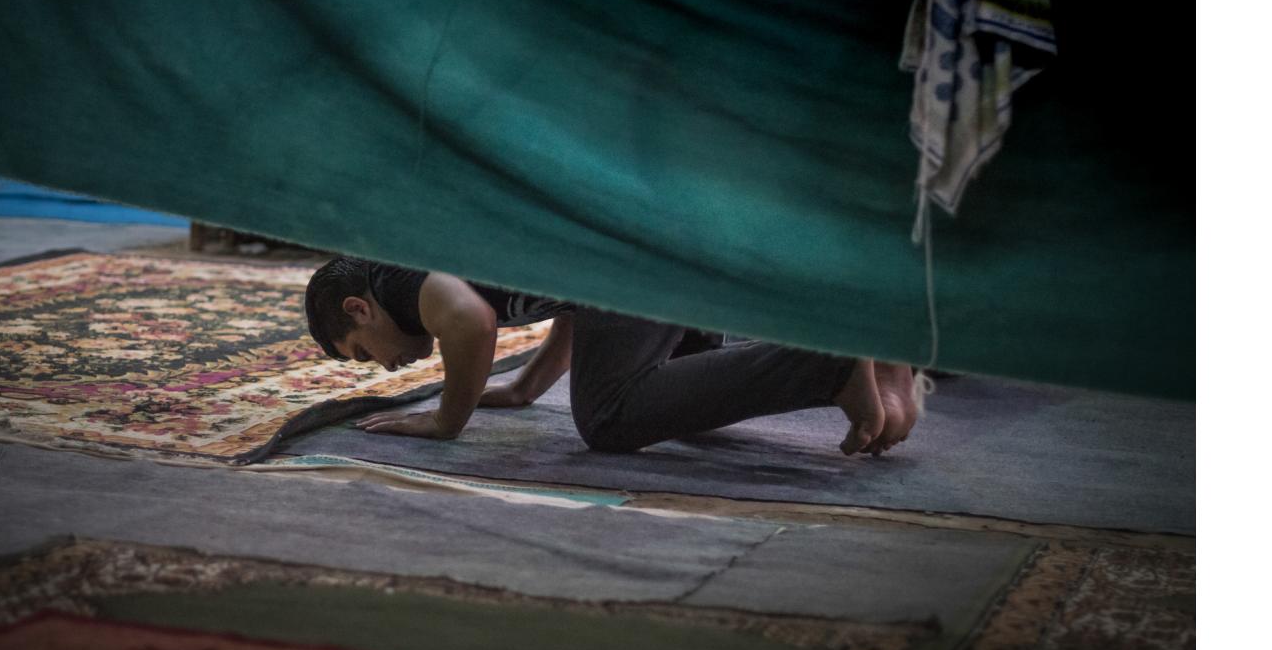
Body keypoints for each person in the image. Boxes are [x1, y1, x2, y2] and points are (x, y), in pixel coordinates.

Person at [304, 257, 918, 456]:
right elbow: (570, 298)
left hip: (631, 269)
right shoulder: (413, 278)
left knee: (609, 418)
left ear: (360, 309)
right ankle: (864, 357)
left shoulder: (398, 281)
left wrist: (446, 419)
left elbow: (472, 324)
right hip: (643, 267)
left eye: (362, 354)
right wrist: (526, 387)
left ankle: (827, 364)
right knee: (680, 410)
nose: (383, 367)